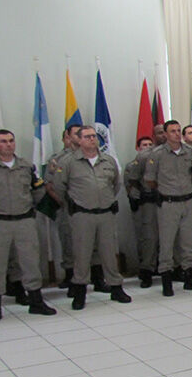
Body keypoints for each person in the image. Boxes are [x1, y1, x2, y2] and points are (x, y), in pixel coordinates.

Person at [0, 130, 57, 323]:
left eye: (11, 141)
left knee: (30, 261)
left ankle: (36, 301)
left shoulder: (25, 166)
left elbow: (38, 190)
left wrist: (30, 205)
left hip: (24, 221)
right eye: (4, 141)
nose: (8, 145)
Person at [49, 126, 132, 309]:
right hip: (82, 214)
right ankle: (80, 292)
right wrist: (76, 202)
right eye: (87, 137)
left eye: (94, 136)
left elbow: (115, 184)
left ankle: (116, 288)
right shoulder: (69, 162)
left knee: (109, 253)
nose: (92, 139)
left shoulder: (107, 161)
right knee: (82, 254)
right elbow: (59, 187)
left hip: (105, 214)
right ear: (78, 140)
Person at [144, 120, 192, 296]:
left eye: (179, 131)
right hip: (168, 203)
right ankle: (166, 280)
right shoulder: (157, 154)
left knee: (188, 242)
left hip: (187, 201)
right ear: (165, 133)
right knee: (167, 243)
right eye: (172, 131)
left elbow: (191, 174)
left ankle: (189, 277)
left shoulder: (188, 152)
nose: (177, 134)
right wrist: (165, 189)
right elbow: (149, 180)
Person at [46, 123, 82, 289]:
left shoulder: (92, 156)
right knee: (68, 241)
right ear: (67, 137)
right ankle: (70, 277)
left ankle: (97, 277)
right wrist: (64, 201)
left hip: (90, 208)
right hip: (68, 207)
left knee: (94, 243)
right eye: (75, 134)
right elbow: (50, 185)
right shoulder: (58, 159)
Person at [125, 135, 158, 287]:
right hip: (145, 204)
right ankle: (146, 270)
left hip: (163, 202)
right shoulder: (134, 164)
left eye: (150, 144)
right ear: (138, 148)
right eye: (144, 144)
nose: (147, 147)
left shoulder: (161, 157)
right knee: (147, 239)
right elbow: (131, 183)